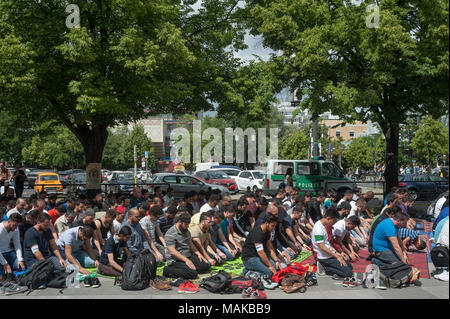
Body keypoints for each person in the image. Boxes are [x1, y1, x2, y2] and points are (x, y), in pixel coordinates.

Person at [162, 212, 210, 279]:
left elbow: (191, 244)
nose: (187, 226)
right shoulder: (170, 233)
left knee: (205, 266)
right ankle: (168, 270)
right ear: (180, 222)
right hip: (176, 260)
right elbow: (172, 251)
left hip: (188, 256)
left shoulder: (186, 231)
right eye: (186, 224)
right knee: (192, 274)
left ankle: (188, 268)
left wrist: (199, 254)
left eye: (188, 224)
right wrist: (187, 261)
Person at [312, 208, 353, 279]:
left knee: (349, 266)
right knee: (348, 273)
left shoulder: (323, 226)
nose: (334, 223)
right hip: (324, 257)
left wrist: (336, 253)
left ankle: (330, 268)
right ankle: (325, 268)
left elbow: (327, 243)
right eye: (334, 221)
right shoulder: (318, 228)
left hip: (329, 254)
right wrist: (336, 256)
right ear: (328, 218)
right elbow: (322, 246)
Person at [0, 213, 25, 278]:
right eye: (14, 225)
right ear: (8, 221)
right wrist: (5, 263)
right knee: (5, 273)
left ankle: (14, 274)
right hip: (1, 254)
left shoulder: (15, 229)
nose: (16, 228)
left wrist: (20, 259)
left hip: (9, 252)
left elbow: (17, 245)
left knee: (21, 267)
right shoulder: (0, 229)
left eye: (17, 226)